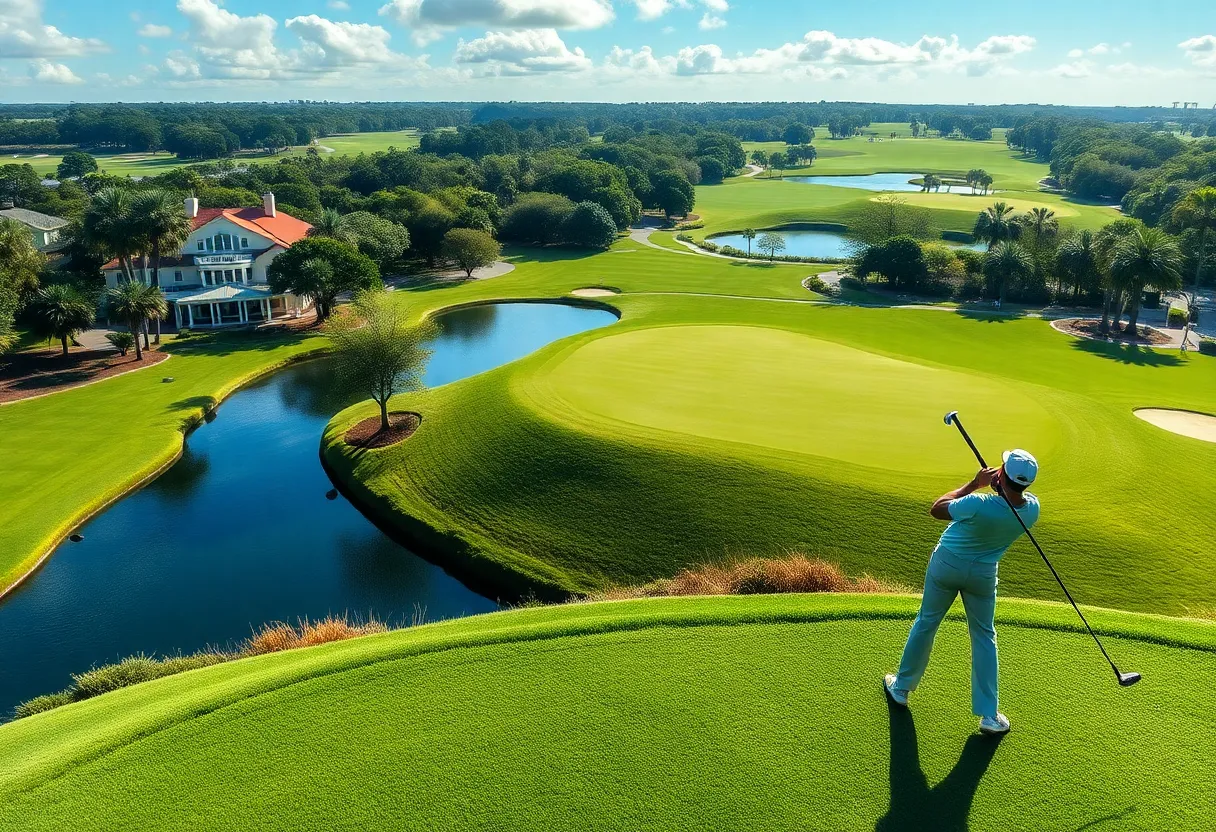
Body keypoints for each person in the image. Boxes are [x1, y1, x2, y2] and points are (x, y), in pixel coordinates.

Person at [884, 449, 1041, 735]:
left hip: (946, 564)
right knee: (984, 636)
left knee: (927, 622)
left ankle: (902, 688)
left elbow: (938, 508)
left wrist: (975, 483)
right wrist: (1001, 487)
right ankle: (989, 715)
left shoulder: (977, 502)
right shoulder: (1032, 510)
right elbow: (1013, 501)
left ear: (1001, 473)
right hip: (983, 575)